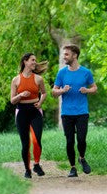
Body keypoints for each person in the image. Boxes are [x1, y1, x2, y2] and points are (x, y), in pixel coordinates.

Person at [52, 45, 97, 177]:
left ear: (74, 55)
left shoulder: (86, 72)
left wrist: (87, 90)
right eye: (63, 54)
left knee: (82, 139)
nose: (64, 57)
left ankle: (81, 158)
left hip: (82, 112)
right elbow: (54, 92)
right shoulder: (62, 73)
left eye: (66, 54)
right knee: (70, 141)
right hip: (67, 113)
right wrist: (62, 90)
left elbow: (94, 88)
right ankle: (72, 168)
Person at [10, 53, 48, 178]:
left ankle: (36, 164)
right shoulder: (16, 80)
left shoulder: (38, 79)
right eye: (32, 60)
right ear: (25, 62)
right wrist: (21, 95)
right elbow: (12, 100)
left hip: (35, 111)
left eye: (35, 60)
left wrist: (40, 102)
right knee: (25, 143)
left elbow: (44, 93)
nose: (35, 63)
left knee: (36, 140)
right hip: (21, 112)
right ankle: (27, 169)